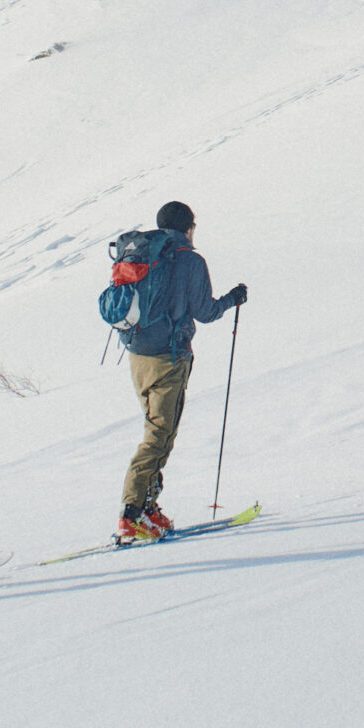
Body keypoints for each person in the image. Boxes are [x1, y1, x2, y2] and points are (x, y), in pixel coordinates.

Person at [115, 201, 247, 542]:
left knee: (159, 430)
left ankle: (147, 506)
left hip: (137, 355)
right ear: (188, 227)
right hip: (169, 358)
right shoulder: (189, 260)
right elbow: (205, 311)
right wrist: (233, 299)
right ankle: (131, 514)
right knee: (159, 435)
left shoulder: (144, 255)